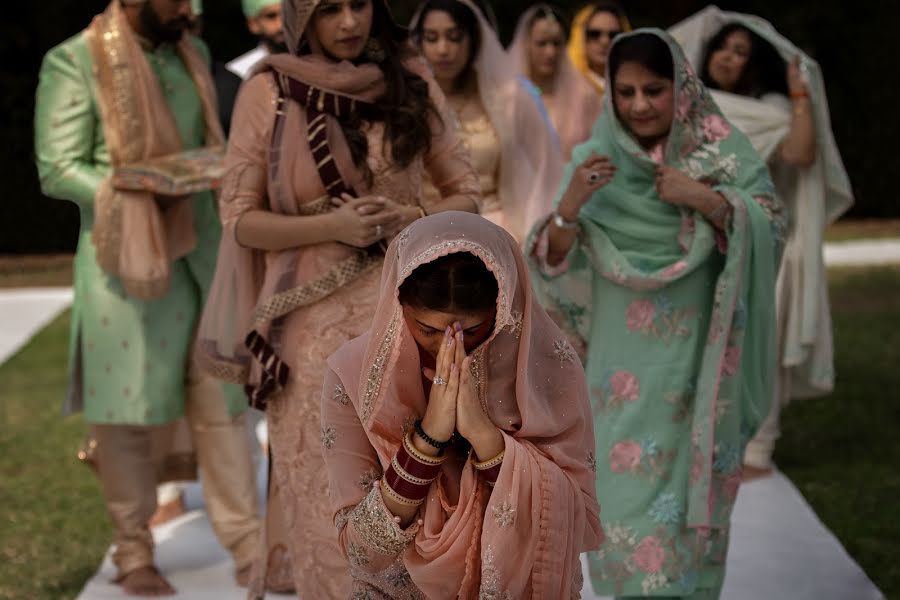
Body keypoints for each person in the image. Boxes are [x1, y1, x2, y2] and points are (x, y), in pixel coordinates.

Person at [196, 0, 481, 596]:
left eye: (359, 5)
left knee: (415, 491)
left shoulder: (410, 78)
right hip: (310, 332)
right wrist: (332, 228)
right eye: (329, 9)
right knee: (331, 502)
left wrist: (411, 216)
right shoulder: (270, 90)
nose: (349, 23)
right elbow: (239, 219)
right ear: (302, 17)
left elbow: (466, 195)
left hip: (407, 320)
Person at [527, 30, 786, 598]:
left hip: (698, 375)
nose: (640, 105)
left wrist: (708, 201)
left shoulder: (721, 156)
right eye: (626, 92)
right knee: (621, 516)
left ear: (683, 89)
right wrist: (568, 209)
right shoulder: (593, 164)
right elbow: (553, 274)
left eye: (655, 89)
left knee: (684, 529)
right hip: (617, 385)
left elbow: (771, 224)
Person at [34, 0, 261, 596]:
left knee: (224, 402)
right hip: (126, 266)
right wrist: (132, 188)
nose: (190, 6)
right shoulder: (73, 61)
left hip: (204, 255)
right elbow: (57, 166)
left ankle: (247, 543)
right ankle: (134, 551)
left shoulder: (193, 52)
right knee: (125, 414)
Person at [320, 211, 603, 598]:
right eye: (428, 330)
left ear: (505, 311)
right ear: (398, 309)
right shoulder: (354, 375)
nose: (447, 348)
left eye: (471, 330)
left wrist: (486, 438)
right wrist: (428, 438)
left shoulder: (545, 367)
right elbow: (360, 551)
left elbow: (576, 519)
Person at [670, 6, 854, 478]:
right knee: (692, 341)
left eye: (741, 52)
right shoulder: (686, 103)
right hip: (693, 238)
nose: (730, 58)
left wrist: (798, 93)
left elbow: (799, 152)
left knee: (755, 342)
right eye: (725, 48)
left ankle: (755, 448)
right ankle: (695, 440)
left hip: (755, 238)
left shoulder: (770, 108)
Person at [411, 0, 563, 242]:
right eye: (432, 38)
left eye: (454, 37)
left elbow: (542, 170)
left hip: (496, 229)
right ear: (419, 42)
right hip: (421, 229)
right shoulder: (408, 101)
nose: (443, 49)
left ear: (473, 40)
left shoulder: (508, 97)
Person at [510, 4, 601, 160]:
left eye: (557, 43)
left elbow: (600, 150)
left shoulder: (584, 95)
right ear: (525, 45)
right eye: (541, 43)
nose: (550, 52)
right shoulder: (510, 95)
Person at [567, 2, 630, 94]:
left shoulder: (638, 87)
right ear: (579, 37)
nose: (604, 41)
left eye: (613, 35)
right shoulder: (566, 87)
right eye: (594, 34)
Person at [226, 0, 287, 80]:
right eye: (271, 16)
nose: (281, 25)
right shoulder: (237, 73)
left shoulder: (307, 63)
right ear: (253, 24)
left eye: (287, 14)